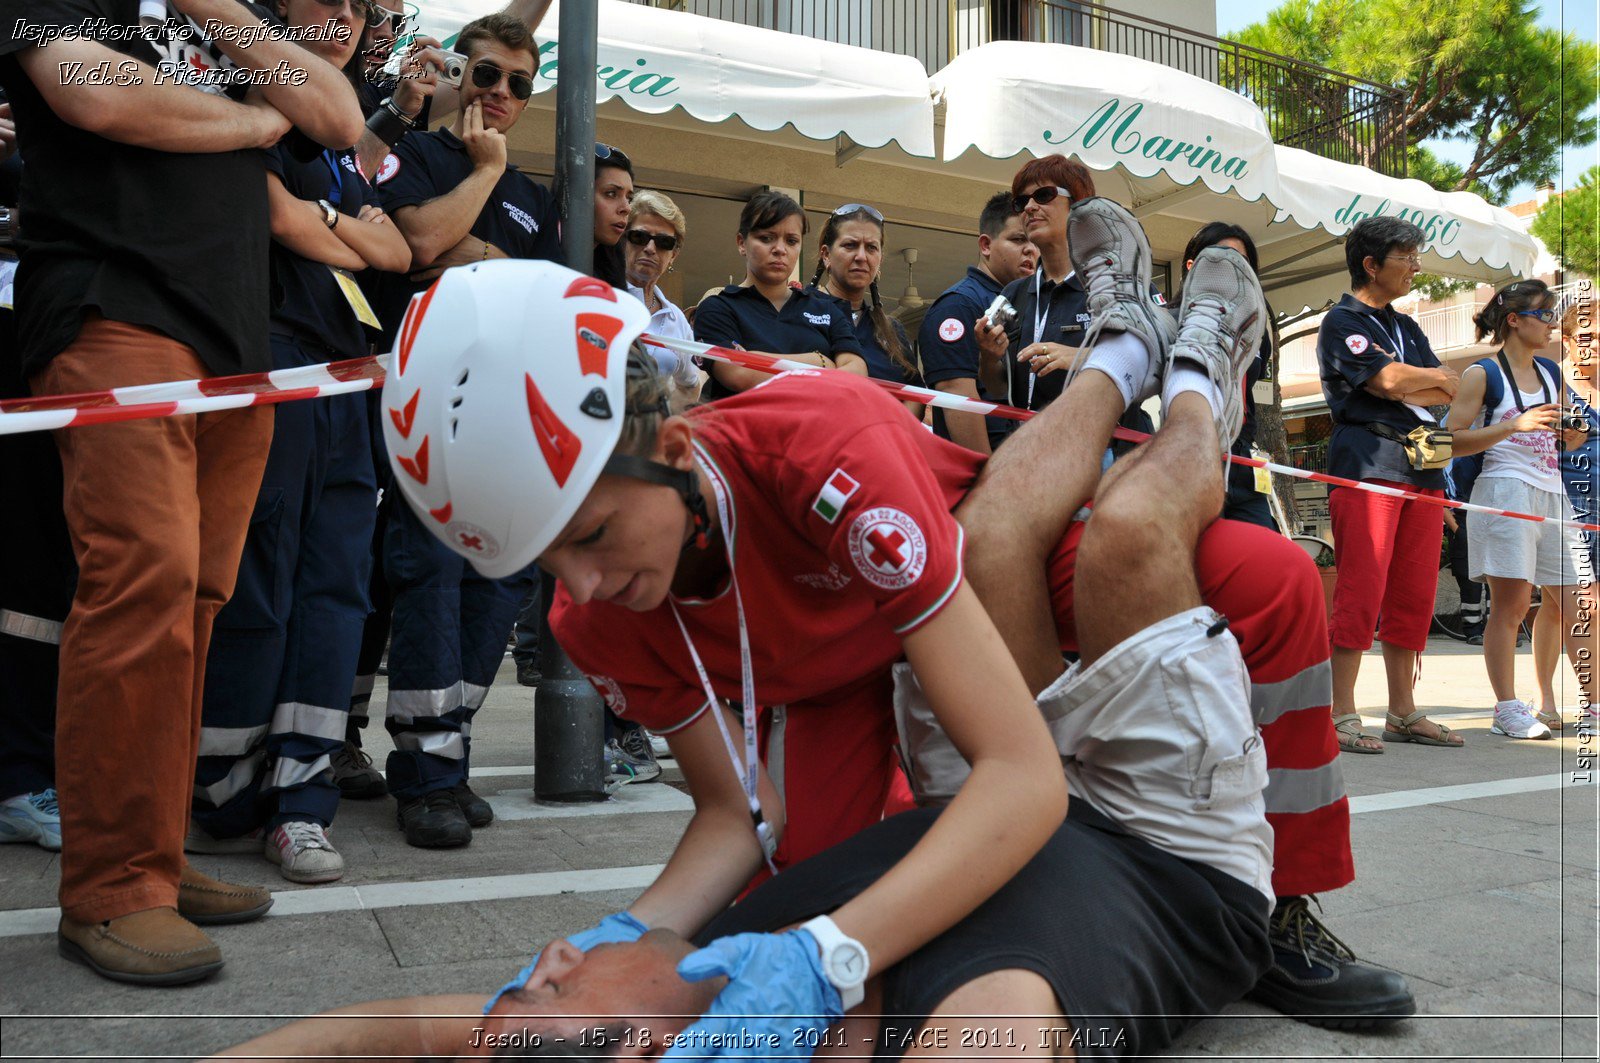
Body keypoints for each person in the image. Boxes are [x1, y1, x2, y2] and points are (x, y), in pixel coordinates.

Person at [969, 192, 1408, 1026]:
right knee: (1218, 557)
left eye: (1049, 199)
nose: (1038, 213)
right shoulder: (985, 299)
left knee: (995, 539)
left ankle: (1130, 351)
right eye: (1028, 202)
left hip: (1033, 501)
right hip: (1125, 873)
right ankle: (1198, 381)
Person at [0, 0, 364, 985]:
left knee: (197, 600)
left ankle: (154, 855)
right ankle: (112, 887)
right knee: (144, 585)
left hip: (232, 339)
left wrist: (211, 8)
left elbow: (333, 112)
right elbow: (93, 94)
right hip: (114, 306)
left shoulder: (222, 13)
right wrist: (248, 124)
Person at [185, 0, 412, 884]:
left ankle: (302, 801)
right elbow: (276, 218)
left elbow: (392, 249)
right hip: (270, 369)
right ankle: (225, 792)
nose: (350, 17)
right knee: (259, 582)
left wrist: (340, 235)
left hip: (346, 382)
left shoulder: (337, 148)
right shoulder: (248, 101)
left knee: (336, 595)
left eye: (363, 7)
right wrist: (344, 239)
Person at [373, 11, 557, 849]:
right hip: (423, 397)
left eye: (519, 83)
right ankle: (427, 776)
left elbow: (540, 293)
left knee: (499, 579)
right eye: (487, 75)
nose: (502, 94)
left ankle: (450, 750)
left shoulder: (537, 196)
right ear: (458, 74)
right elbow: (415, 246)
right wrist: (482, 180)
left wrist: (475, 251)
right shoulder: (414, 152)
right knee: (431, 576)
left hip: (502, 410)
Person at [1316, 217, 1463, 750]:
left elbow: (1446, 388)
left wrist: (1420, 383)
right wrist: (1415, 381)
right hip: (1367, 462)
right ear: (1372, 265)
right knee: (1361, 588)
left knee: (1415, 593)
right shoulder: (1341, 320)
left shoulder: (1406, 325)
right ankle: (1341, 713)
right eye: (1407, 257)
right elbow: (1387, 380)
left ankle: (1402, 712)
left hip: (1421, 467)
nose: (1416, 267)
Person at [1443, 279, 1594, 739]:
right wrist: (1514, 425)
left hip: (1554, 493)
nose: (1551, 325)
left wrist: (1574, 434)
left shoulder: (1551, 372)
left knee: (1581, 604)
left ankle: (1594, 704)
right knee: (1510, 606)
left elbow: (1578, 430)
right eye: (1543, 315)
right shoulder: (1481, 374)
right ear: (1514, 319)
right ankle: (1507, 708)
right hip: (1505, 492)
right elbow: (1448, 440)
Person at [692, 191, 868, 399]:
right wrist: (820, 362)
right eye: (766, 238)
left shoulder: (827, 308)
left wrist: (755, 358)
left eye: (791, 241)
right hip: (744, 428)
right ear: (742, 243)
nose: (780, 249)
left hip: (816, 429)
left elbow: (857, 374)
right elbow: (738, 374)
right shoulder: (716, 308)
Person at [919, 190, 1037, 455]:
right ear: (986, 245)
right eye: (1018, 239)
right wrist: (985, 476)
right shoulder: (958, 305)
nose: (1030, 249)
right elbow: (958, 398)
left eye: (1034, 241)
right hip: (989, 469)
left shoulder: (1031, 301)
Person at [1181, 222, 1278, 533]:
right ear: (1193, 266)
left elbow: (1254, 393)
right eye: (1222, 256)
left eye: (1243, 260)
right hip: (1191, 456)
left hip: (1244, 460)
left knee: (1266, 560)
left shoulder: (1258, 327)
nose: (1234, 266)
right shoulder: (1172, 319)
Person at [807, 203, 923, 410]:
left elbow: (916, 394)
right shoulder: (799, 310)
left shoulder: (891, 330)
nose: (861, 256)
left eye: (871, 247)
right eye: (850, 245)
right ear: (826, 255)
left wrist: (892, 433)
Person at [623, 188, 702, 408]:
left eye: (663, 243)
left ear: (673, 255)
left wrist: (663, 424)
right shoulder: (605, 296)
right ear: (624, 241)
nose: (650, 248)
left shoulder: (676, 319)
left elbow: (690, 385)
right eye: (640, 237)